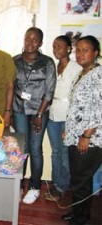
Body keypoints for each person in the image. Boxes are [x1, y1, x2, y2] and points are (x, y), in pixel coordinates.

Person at [12, 27, 56, 204]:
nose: (30, 42)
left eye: (34, 39)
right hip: (19, 110)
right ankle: (19, 183)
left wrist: (39, 114)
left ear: (40, 43)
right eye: (27, 38)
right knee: (21, 149)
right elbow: (11, 87)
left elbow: (49, 90)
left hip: (39, 111)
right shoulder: (15, 61)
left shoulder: (47, 62)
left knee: (36, 149)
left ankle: (35, 187)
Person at [62, 35, 102, 225]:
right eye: (78, 49)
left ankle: (80, 220)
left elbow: (99, 109)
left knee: (81, 181)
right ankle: (78, 213)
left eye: (85, 50)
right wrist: (68, 130)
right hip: (76, 136)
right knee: (78, 180)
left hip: (90, 139)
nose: (80, 53)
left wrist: (86, 135)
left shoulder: (98, 75)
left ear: (96, 53)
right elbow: (79, 106)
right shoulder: (83, 72)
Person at [45, 35, 82, 201]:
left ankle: (62, 187)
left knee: (65, 154)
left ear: (69, 48)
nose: (56, 49)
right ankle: (56, 182)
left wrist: (71, 124)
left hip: (68, 116)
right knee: (55, 152)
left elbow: (77, 97)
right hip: (53, 114)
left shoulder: (76, 68)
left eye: (60, 46)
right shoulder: (53, 66)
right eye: (54, 46)